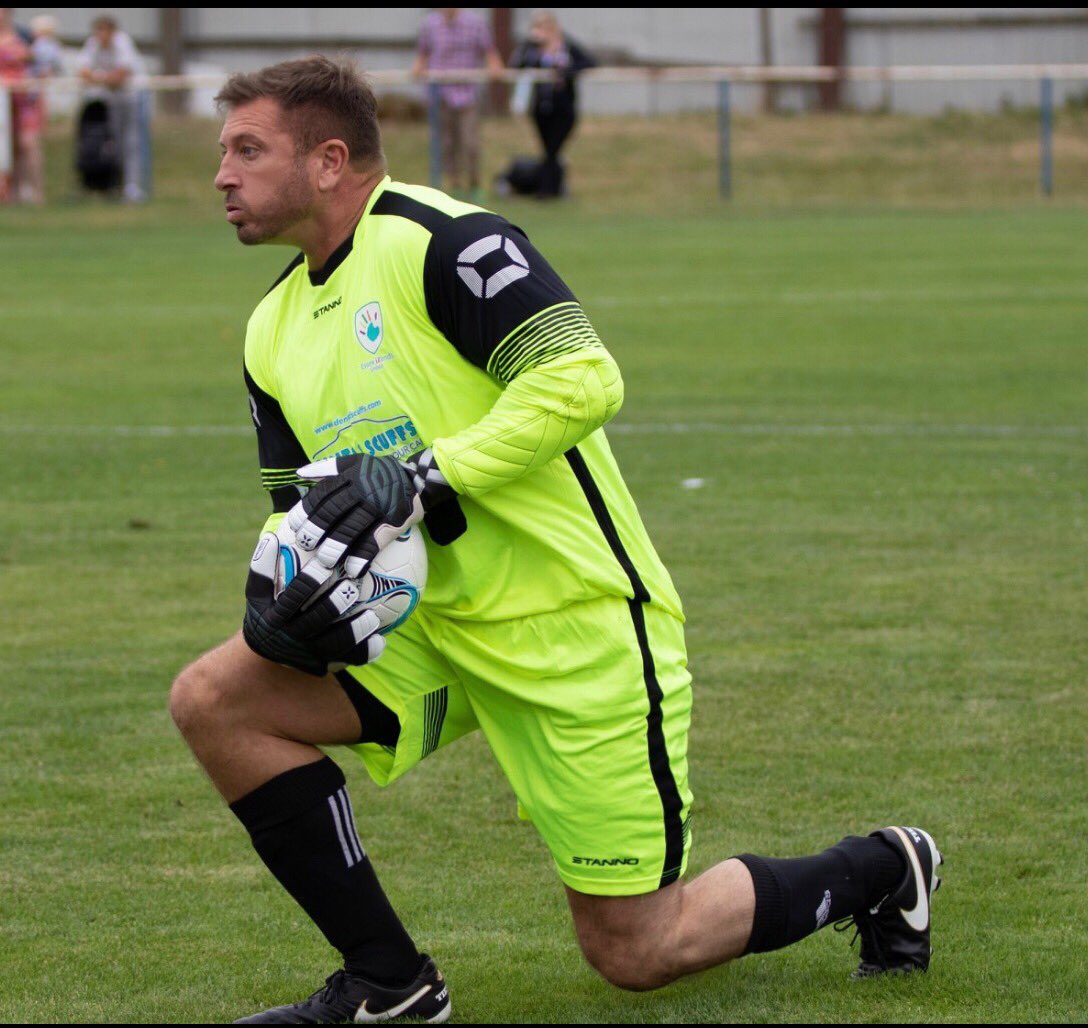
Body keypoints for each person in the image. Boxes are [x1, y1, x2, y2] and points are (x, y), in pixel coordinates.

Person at [170, 55, 944, 1024]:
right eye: (222, 153)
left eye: (247, 149)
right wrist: (275, 598)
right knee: (216, 696)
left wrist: (422, 474)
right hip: (429, 632)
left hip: (572, 628)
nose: (222, 176)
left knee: (635, 947)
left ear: (330, 159)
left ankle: (882, 864)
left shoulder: (442, 240)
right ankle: (388, 980)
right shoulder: (270, 327)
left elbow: (579, 378)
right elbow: (296, 507)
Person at [411, 7, 503, 201]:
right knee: (446, 143)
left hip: (467, 93)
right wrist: (419, 67)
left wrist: (495, 66)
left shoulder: (475, 23)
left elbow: (489, 51)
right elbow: (423, 53)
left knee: (470, 142)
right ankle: (454, 185)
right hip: (440, 93)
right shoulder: (430, 24)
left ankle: (474, 184)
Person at [510, 11, 594, 198]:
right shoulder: (532, 49)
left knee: (552, 150)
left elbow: (589, 62)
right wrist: (530, 45)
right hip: (541, 108)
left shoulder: (567, 47)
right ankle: (555, 189)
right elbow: (518, 66)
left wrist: (565, 71)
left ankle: (547, 191)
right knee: (549, 151)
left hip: (563, 108)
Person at [77, 14, 144, 202]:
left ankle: (133, 187)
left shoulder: (123, 43)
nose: (100, 36)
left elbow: (122, 74)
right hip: (110, 102)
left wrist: (98, 78)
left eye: (104, 31)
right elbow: (82, 71)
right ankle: (115, 185)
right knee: (113, 144)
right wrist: (106, 79)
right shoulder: (92, 44)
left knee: (131, 143)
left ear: (112, 32)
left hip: (130, 99)